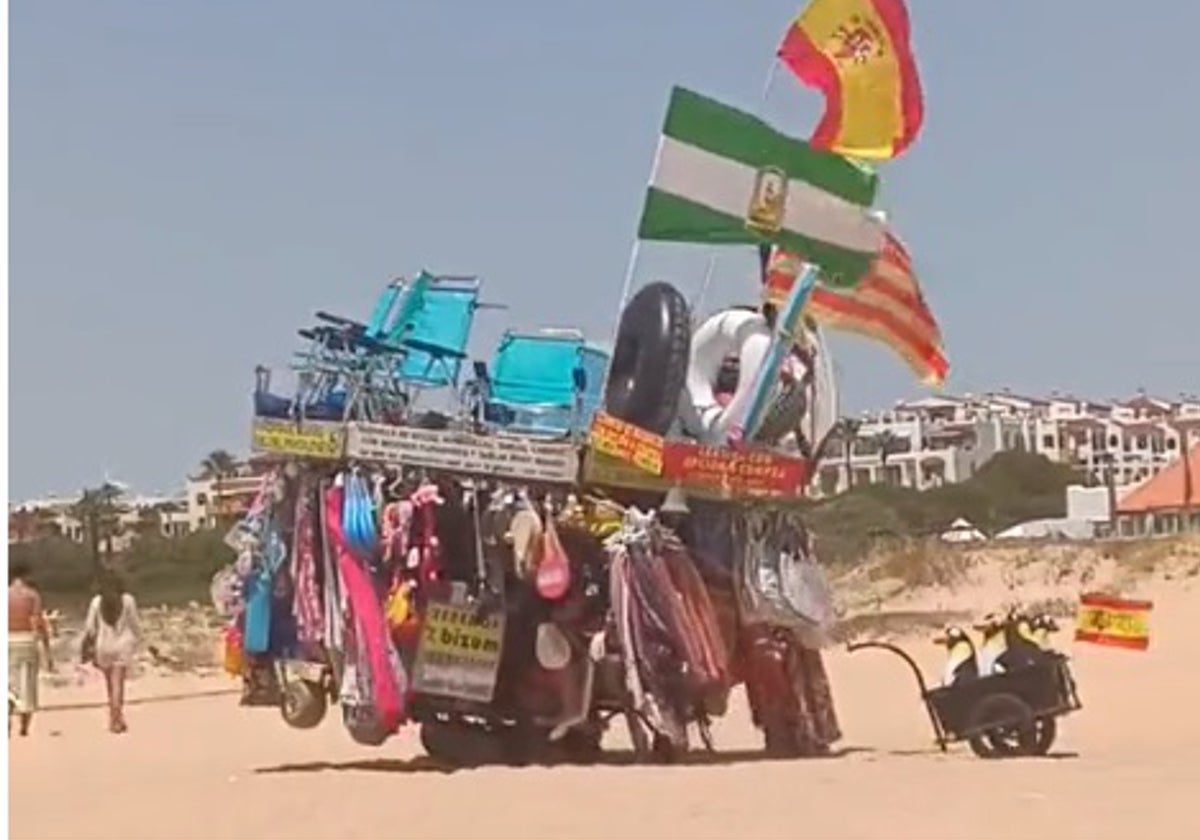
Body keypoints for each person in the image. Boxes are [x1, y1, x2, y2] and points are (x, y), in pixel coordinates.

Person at [82, 572, 143, 733]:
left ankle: (115, 716)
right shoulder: (128, 600)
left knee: (110, 684)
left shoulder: (96, 602)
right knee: (118, 685)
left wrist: (88, 646)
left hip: (103, 645)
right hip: (123, 645)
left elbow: (90, 627)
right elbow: (135, 623)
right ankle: (116, 718)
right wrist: (140, 640)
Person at [9, 560, 53, 737]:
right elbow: (37, 621)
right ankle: (24, 726)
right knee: (27, 684)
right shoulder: (32, 596)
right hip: (26, 640)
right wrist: (46, 646)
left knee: (8, 684)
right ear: (25, 576)